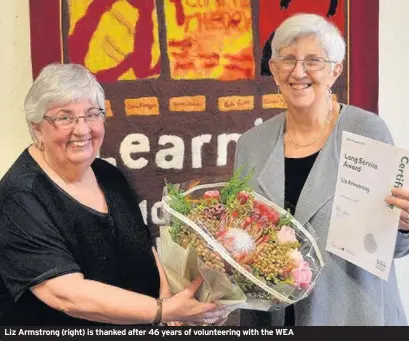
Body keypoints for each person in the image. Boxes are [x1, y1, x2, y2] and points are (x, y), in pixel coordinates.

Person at [0, 63, 224, 326]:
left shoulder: (107, 174)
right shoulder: (19, 196)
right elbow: (67, 296)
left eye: (92, 114)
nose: (82, 130)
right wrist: (163, 310)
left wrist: (168, 297)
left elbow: (144, 245)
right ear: (37, 127)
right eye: (64, 117)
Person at [234, 13, 409, 326]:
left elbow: (389, 246)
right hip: (271, 320)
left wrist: (404, 224)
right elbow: (243, 238)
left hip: (352, 317)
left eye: (313, 60)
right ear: (273, 70)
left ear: (335, 71)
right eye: (287, 59)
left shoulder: (367, 130)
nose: (298, 71)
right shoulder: (251, 144)